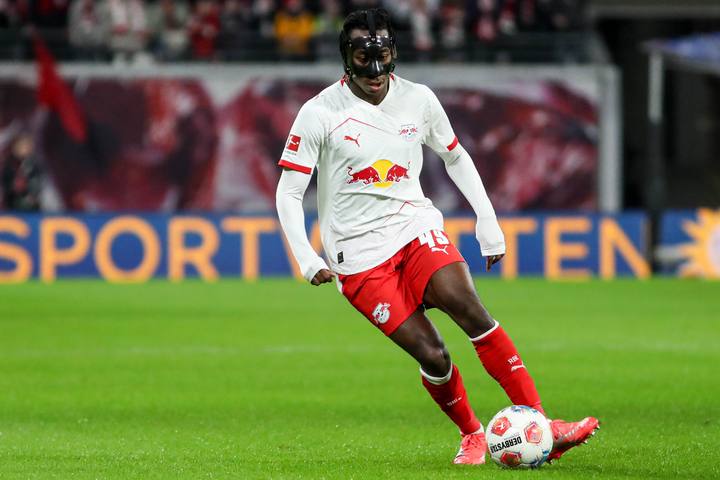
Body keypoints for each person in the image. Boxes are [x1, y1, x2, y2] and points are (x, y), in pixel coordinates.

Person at [275, 8, 598, 465]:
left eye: (383, 57)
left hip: (415, 227)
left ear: (394, 53)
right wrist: (307, 258)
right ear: (347, 56)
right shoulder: (319, 113)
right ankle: (472, 434)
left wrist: (487, 221)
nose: (375, 70)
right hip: (358, 256)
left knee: (470, 309)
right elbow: (289, 193)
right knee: (434, 355)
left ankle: (542, 425)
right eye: (364, 59)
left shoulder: (419, 99)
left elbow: (456, 157)